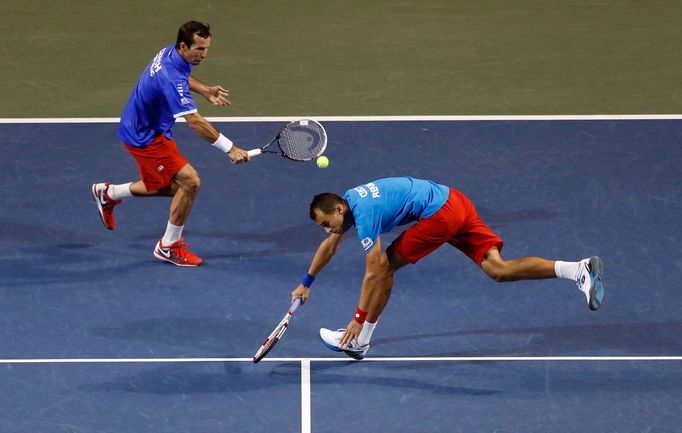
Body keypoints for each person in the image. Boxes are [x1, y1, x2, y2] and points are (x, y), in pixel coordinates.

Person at [290, 176, 605, 360]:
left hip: (439, 214)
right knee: (498, 269)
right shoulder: (349, 207)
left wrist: (358, 318)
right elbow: (331, 245)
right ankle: (578, 270)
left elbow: (374, 271)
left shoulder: (366, 214)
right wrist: (307, 281)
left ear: (338, 209)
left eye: (326, 223)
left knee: (384, 268)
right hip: (455, 201)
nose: (327, 230)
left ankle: (360, 340)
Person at [91, 21, 249, 266]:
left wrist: (205, 89)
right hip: (144, 136)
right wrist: (230, 148)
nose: (203, 55)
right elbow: (194, 122)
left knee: (176, 188)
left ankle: (108, 193)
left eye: (206, 49)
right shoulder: (169, 75)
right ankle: (168, 246)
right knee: (190, 182)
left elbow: (182, 77)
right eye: (199, 49)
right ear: (184, 45)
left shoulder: (172, 53)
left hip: (152, 126)